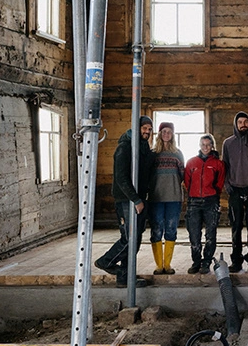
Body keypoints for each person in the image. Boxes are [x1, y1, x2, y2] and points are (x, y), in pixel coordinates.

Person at [95, 116, 153, 287]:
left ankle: (124, 278)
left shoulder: (143, 147)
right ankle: (105, 262)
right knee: (129, 239)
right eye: (144, 128)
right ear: (136, 128)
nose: (147, 132)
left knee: (134, 239)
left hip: (139, 199)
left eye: (149, 129)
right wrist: (135, 200)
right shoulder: (125, 147)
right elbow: (121, 178)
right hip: (126, 200)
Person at [222, 111, 248, 273]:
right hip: (235, 189)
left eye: (245, 122)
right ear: (235, 124)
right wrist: (227, 184)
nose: (243, 125)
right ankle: (236, 260)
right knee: (236, 226)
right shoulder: (228, 143)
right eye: (240, 122)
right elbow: (224, 165)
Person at [184, 134, 225, 275]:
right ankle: (196, 261)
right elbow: (187, 182)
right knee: (194, 235)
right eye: (203, 144)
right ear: (199, 146)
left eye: (208, 144)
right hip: (194, 202)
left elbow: (220, 182)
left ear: (212, 146)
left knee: (210, 235)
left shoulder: (218, 164)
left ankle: (206, 262)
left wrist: (212, 193)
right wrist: (194, 193)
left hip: (211, 201)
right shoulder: (191, 163)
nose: (205, 147)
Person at [149, 122, 185, 275]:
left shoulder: (178, 153)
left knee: (171, 229)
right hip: (156, 197)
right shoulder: (153, 153)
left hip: (174, 197)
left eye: (169, 132)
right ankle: (159, 265)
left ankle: (167, 264)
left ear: (173, 134)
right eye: (164, 131)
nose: (166, 134)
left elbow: (183, 174)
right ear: (159, 134)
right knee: (156, 230)